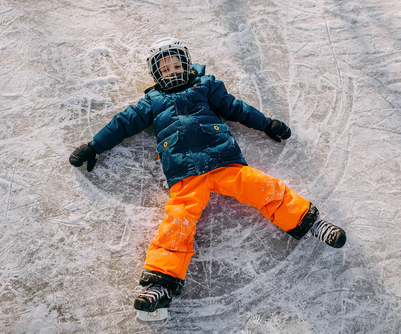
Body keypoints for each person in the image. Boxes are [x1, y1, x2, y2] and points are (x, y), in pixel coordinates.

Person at [69, 37, 346, 321]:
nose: (172, 71)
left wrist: (266, 124)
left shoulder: (205, 86)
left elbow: (236, 108)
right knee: (178, 222)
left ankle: (311, 223)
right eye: (165, 69)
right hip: (185, 174)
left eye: (177, 65)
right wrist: (93, 147)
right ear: (156, 74)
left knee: (264, 186)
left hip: (223, 160)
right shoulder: (151, 102)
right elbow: (121, 124)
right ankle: (159, 284)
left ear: (187, 64)